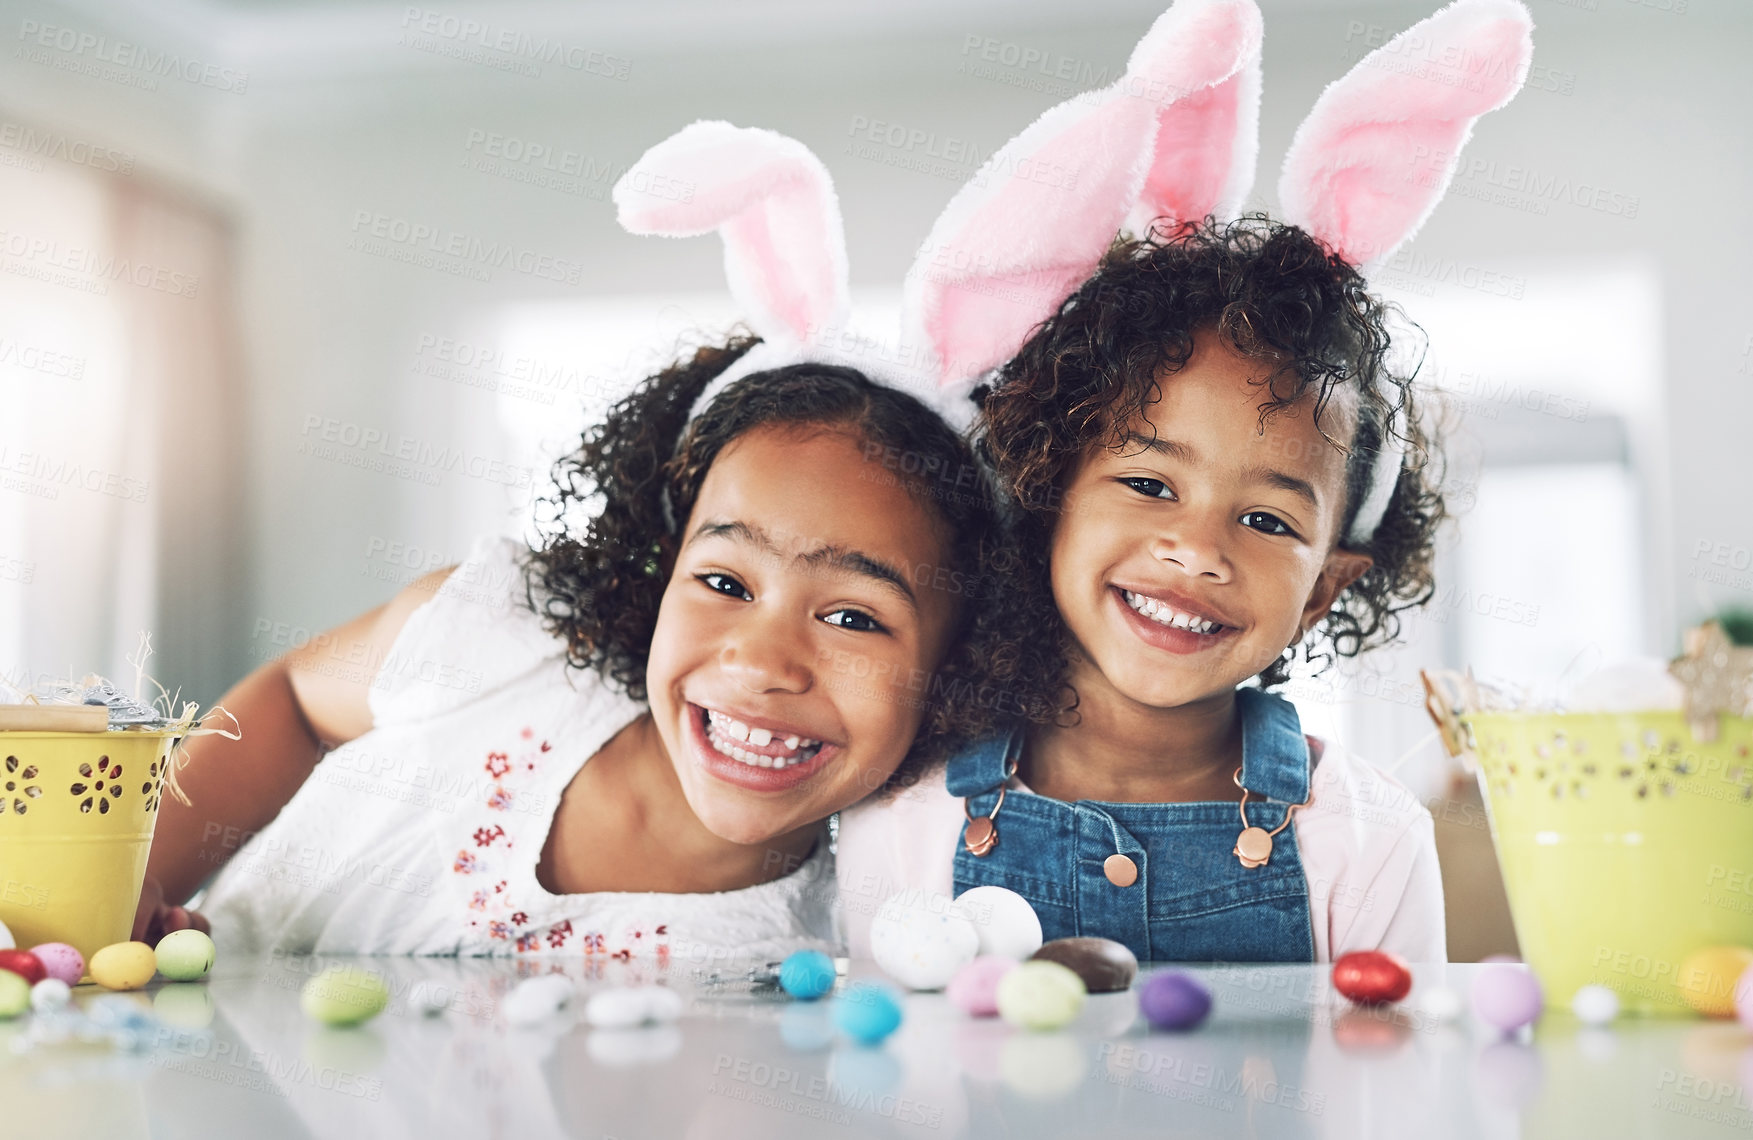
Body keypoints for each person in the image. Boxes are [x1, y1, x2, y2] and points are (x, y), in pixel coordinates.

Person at [837, 0, 1536, 962]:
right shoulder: (900, 822)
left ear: (1325, 589)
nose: (1196, 549)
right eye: (1150, 485)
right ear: (1046, 497)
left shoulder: (1369, 845)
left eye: (1265, 519)